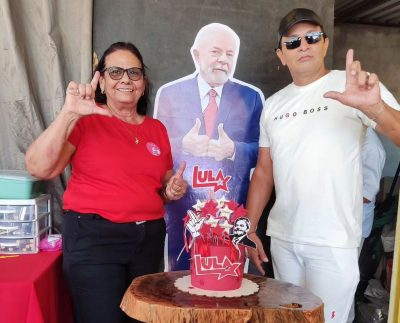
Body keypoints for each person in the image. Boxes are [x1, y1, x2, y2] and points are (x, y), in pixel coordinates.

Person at [246, 8, 400, 323]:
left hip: (334, 240)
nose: (303, 46)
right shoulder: (273, 105)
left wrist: (375, 107)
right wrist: (248, 227)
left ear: (325, 44)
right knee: (287, 320)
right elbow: (264, 171)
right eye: (293, 42)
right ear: (281, 54)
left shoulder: (352, 86)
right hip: (284, 238)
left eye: (312, 37)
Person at [25, 42, 187, 323]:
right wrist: (69, 113)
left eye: (134, 73)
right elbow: (39, 167)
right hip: (94, 240)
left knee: (142, 318)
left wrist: (171, 188)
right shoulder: (84, 122)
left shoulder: (156, 129)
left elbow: (161, 185)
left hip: (147, 240)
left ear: (143, 82)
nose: (126, 79)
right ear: (100, 81)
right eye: (115, 71)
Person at [154, 23, 265, 270]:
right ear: (196, 54)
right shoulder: (170, 94)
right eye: (216, 52)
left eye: (230, 54)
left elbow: (264, 155)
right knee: (180, 284)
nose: (223, 60)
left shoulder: (251, 97)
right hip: (182, 210)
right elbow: (154, 148)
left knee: (227, 286)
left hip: (231, 211)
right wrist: (182, 145)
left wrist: (234, 150)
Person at [347, 127, 386, 322]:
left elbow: (365, 195)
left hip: (354, 226)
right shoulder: (351, 137)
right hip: (341, 223)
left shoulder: (372, 147)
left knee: (344, 282)